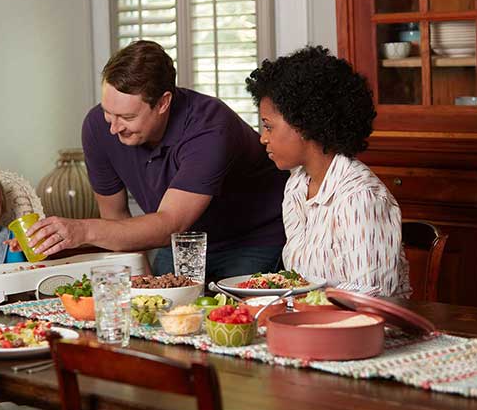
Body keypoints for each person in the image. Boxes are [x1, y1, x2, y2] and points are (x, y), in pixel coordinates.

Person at [24, 40, 288, 281]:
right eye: (108, 112)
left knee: (231, 321)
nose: (114, 128)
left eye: (127, 117)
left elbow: (170, 222)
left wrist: (81, 231)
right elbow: (115, 217)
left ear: (163, 103)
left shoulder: (210, 126)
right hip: (180, 242)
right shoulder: (97, 127)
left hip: (251, 239)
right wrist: (145, 285)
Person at [245, 45, 410, 297]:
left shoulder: (361, 197)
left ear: (304, 125)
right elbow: (298, 282)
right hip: (310, 324)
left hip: (361, 331)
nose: (262, 138)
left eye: (269, 127)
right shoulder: (297, 186)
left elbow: (371, 296)